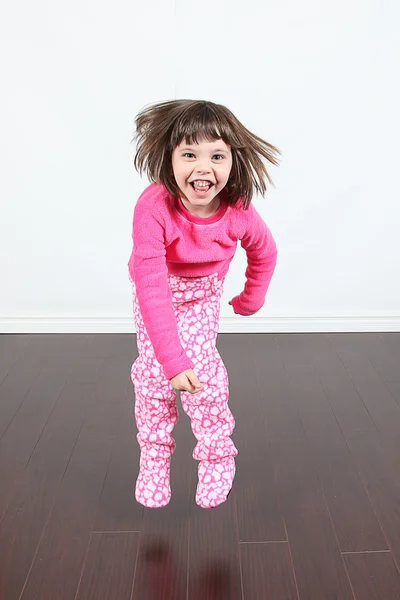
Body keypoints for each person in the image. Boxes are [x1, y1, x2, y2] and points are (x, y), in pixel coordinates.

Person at [128, 99, 279, 509]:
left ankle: (217, 454)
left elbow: (265, 253)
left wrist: (251, 298)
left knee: (203, 372)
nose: (202, 167)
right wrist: (171, 362)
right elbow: (150, 284)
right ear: (169, 158)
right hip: (156, 293)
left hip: (203, 295)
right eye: (189, 154)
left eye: (217, 156)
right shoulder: (153, 206)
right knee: (154, 375)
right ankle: (155, 454)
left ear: (233, 161)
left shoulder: (238, 212)